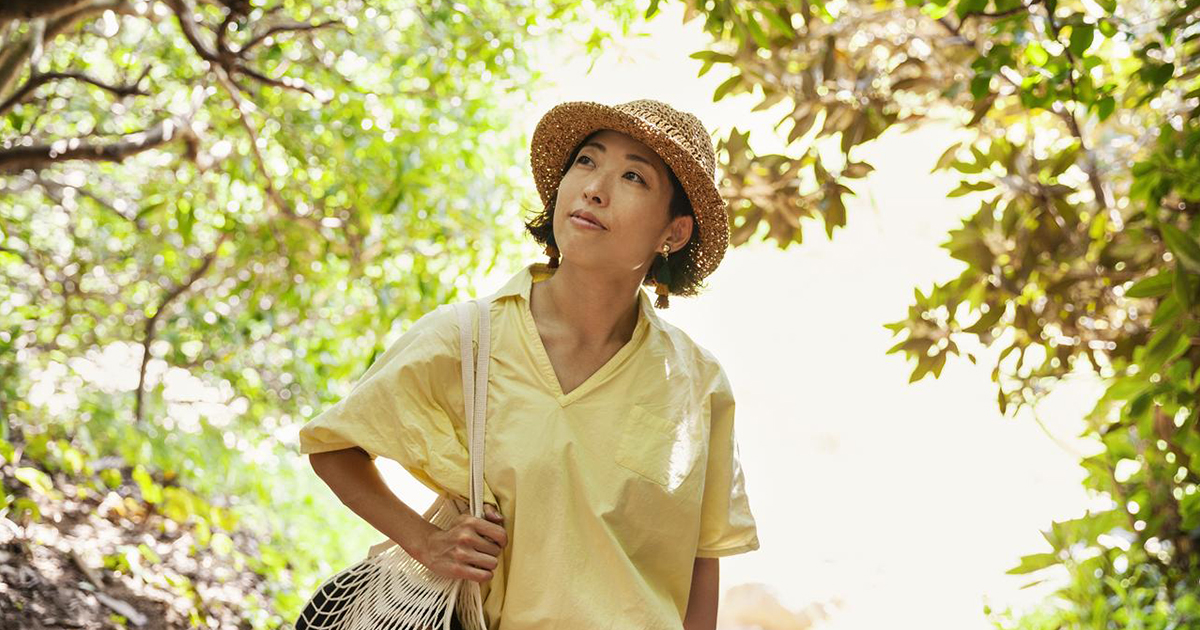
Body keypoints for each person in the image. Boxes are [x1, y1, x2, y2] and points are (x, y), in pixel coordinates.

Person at [299, 99, 759, 630]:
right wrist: (428, 542)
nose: (594, 188)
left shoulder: (697, 384)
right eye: (587, 161)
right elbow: (335, 447)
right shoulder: (470, 338)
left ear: (673, 233)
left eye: (633, 176)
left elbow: (703, 558)